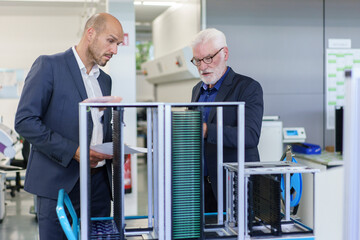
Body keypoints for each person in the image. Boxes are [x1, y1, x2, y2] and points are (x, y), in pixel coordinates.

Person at [14, 13, 124, 239]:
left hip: (99, 185)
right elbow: (25, 121)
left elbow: (100, 127)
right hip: (59, 183)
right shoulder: (49, 66)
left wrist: (114, 147)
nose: (115, 50)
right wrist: (74, 152)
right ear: (90, 33)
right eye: (111, 41)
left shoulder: (104, 80)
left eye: (118, 44)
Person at [190, 28, 264, 213]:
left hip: (234, 186)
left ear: (225, 53)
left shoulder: (248, 88)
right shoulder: (197, 89)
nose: (202, 66)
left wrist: (207, 130)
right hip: (202, 188)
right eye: (197, 60)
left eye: (208, 58)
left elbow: (250, 136)